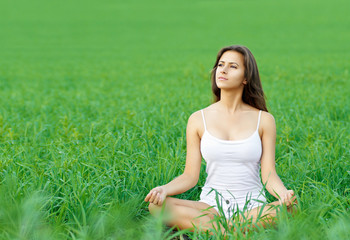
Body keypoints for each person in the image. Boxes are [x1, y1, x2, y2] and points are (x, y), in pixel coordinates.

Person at [144, 45, 297, 234]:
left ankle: (217, 232)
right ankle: (231, 232)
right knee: (156, 206)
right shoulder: (198, 119)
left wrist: (283, 194)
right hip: (210, 207)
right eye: (220, 65)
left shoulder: (264, 120)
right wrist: (164, 189)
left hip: (252, 208)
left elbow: (269, 175)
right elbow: (190, 176)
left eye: (233, 66)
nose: (223, 70)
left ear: (246, 78)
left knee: (291, 208)